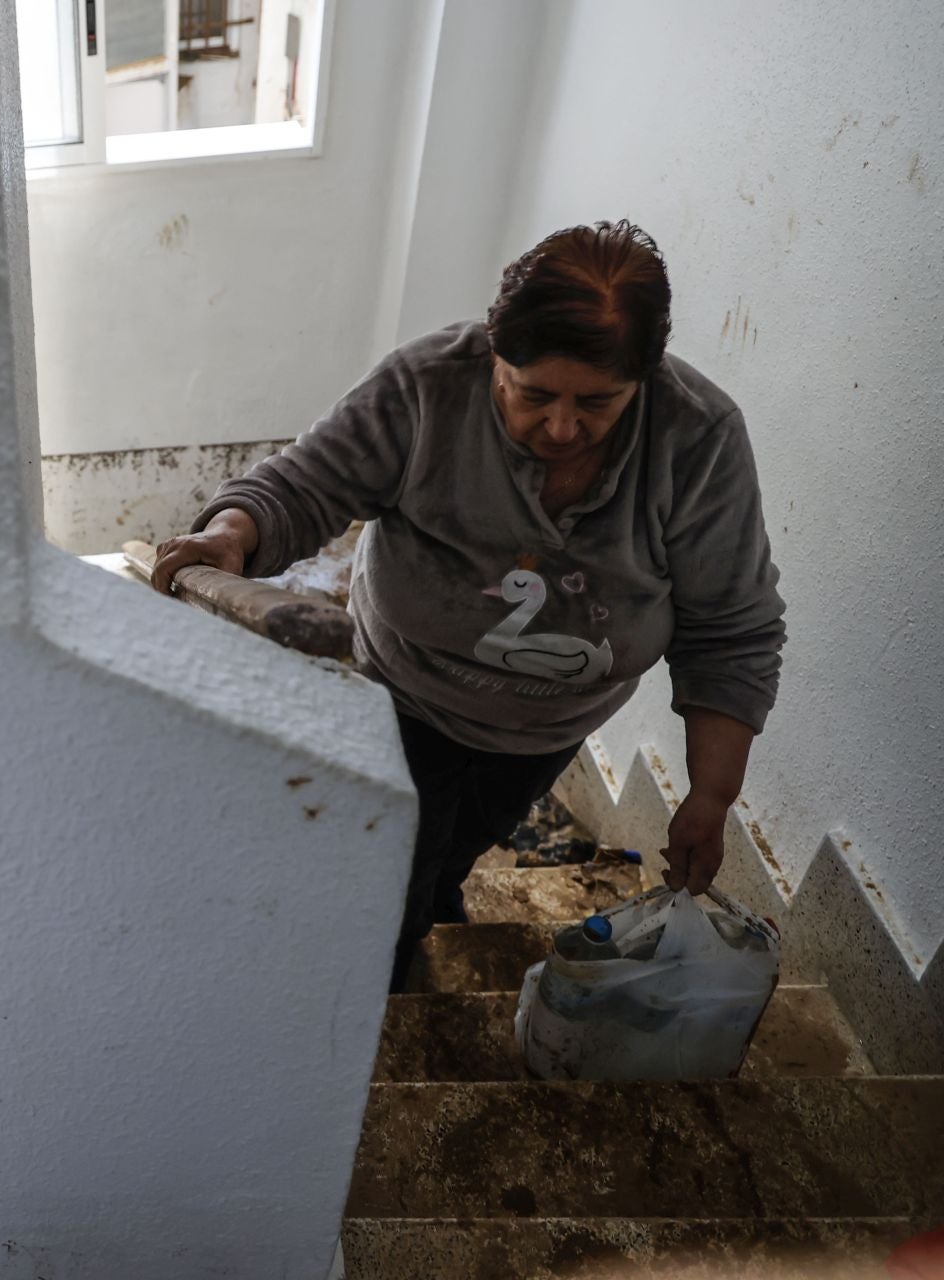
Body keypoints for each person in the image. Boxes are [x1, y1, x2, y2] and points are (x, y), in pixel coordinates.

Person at [151, 221, 785, 992]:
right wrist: (230, 534)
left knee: (462, 841)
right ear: (494, 354)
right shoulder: (425, 386)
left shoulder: (699, 439)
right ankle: (378, 979)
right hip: (406, 697)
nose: (561, 426)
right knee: (389, 867)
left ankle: (431, 897)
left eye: (598, 403)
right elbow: (302, 485)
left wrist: (711, 798)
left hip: (548, 730)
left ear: (642, 381)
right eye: (533, 395)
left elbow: (732, 631)